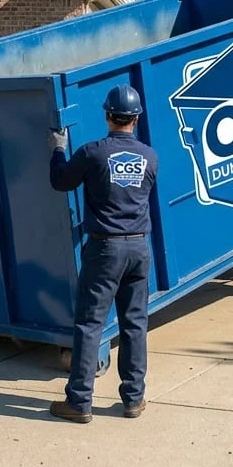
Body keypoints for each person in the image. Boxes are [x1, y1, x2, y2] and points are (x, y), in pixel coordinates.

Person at [46, 84, 159, 423]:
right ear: (136, 119)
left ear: (108, 115)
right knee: (135, 324)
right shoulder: (150, 157)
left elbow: (61, 182)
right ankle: (133, 399)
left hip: (106, 248)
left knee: (90, 323)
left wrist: (57, 150)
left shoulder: (92, 153)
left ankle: (79, 402)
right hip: (139, 246)